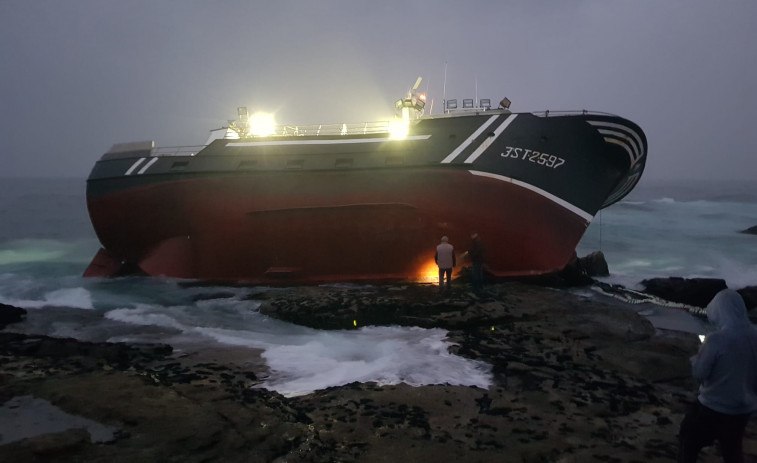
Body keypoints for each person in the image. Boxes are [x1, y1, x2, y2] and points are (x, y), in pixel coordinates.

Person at [678, 289, 757, 463]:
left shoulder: (717, 340)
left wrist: (695, 359)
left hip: (713, 406)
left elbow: (700, 374)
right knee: (732, 450)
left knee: (688, 441)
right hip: (744, 409)